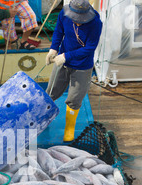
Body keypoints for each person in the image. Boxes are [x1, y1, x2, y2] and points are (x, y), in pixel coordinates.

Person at [45, 0, 102, 142]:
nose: (78, 23)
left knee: (75, 98)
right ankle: (44, 118)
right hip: (62, 61)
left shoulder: (96, 23)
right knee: (51, 91)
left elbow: (90, 48)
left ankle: (69, 128)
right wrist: (53, 48)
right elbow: (59, 31)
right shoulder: (63, 14)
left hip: (82, 65)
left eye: (81, 20)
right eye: (75, 19)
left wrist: (66, 56)